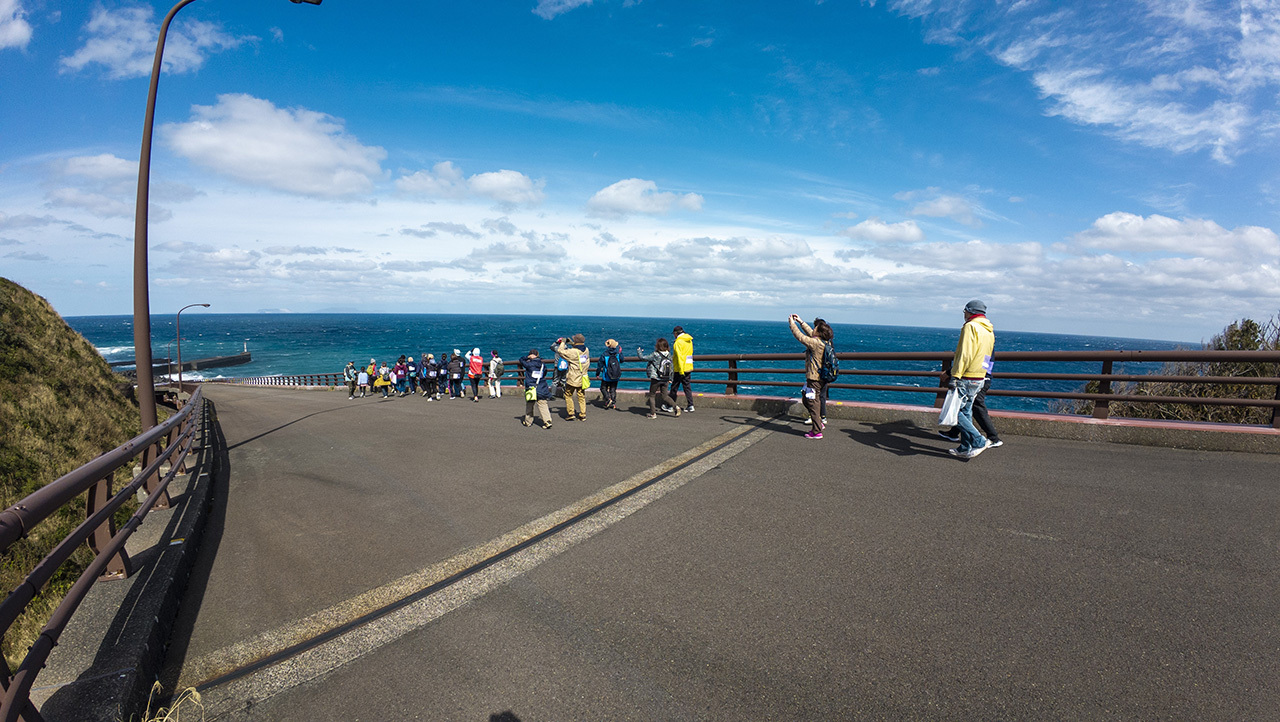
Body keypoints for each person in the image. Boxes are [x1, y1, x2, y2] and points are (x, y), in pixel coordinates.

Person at [947, 299, 996, 459]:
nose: (964, 314)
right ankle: (965, 447)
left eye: (964, 311)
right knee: (966, 411)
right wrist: (982, 373)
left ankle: (979, 441)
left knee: (954, 412)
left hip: (966, 375)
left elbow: (964, 353)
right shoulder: (989, 330)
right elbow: (988, 356)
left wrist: (955, 375)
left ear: (970, 311)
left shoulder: (970, 327)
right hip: (980, 376)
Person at [789, 314, 833, 439]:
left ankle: (816, 431)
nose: (813, 329)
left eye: (816, 328)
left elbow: (800, 337)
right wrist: (800, 321)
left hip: (814, 379)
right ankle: (818, 423)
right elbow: (809, 333)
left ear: (818, 333)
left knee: (813, 403)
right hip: (818, 378)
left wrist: (792, 323)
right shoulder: (823, 341)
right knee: (807, 398)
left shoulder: (815, 343)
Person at [939, 377, 1002, 448]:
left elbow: (961, 366)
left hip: (974, 379)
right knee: (966, 410)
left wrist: (950, 374)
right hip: (980, 379)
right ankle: (955, 434)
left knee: (973, 409)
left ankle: (987, 438)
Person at [638, 338, 680, 419]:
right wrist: (670, 378)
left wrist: (639, 351)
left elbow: (643, 358)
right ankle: (675, 407)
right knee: (665, 396)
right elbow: (671, 368)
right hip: (666, 378)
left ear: (658, 346)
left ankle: (653, 414)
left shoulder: (655, 354)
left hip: (656, 378)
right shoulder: (669, 355)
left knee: (652, 395)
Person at [554, 334, 591, 421]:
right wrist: (572, 343)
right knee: (581, 396)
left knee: (568, 394)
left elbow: (560, 351)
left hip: (573, 377)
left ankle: (571, 413)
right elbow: (578, 349)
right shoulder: (586, 350)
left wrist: (563, 342)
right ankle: (583, 414)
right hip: (583, 377)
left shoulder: (573, 352)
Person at [518, 349, 554, 429]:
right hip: (541, 386)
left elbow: (521, 359)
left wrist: (527, 357)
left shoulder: (529, 364)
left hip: (531, 387)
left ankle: (528, 422)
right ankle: (547, 421)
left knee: (530, 405)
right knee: (543, 404)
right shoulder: (542, 364)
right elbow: (544, 373)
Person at [668, 325, 695, 412]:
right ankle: (690, 405)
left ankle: (670, 406)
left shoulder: (678, 342)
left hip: (679, 368)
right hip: (688, 366)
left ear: (676, 333)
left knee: (674, 387)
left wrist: (680, 370)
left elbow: (679, 357)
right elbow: (689, 353)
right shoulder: (689, 341)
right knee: (687, 387)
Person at [595, 338, 623, 410]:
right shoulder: (617, 354)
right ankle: (613, 403)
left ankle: (608, 399)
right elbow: (622, 360)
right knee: (613, 389)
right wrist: (620, 352)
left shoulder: (604, 354)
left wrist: (597, 373)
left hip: (606, 376)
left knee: (603, 388)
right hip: (615, 375)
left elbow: (600, 365)